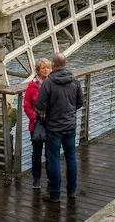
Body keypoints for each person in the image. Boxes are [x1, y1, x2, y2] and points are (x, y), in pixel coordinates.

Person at [36, 53, 84, 203]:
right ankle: (72, 191)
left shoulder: (48, 82)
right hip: (70, 126)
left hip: (54, 127)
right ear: (65, 63)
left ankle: (55, 194)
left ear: (53, 64)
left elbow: (40, 105)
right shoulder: (75, 80)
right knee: (71, 158)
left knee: (54, 159)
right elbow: (80, 102)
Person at [23, 58, 51, 189]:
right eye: (43, 68)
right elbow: (27, 104)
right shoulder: (32, 85)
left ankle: (51, 178)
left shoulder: (52, 83)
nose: (46, 70)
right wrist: (33, 116)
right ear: (38, 70)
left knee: (50, 152)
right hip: (36, 124)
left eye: (48, 67)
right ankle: (37, 179)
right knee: (37, 153)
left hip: (51, 123)